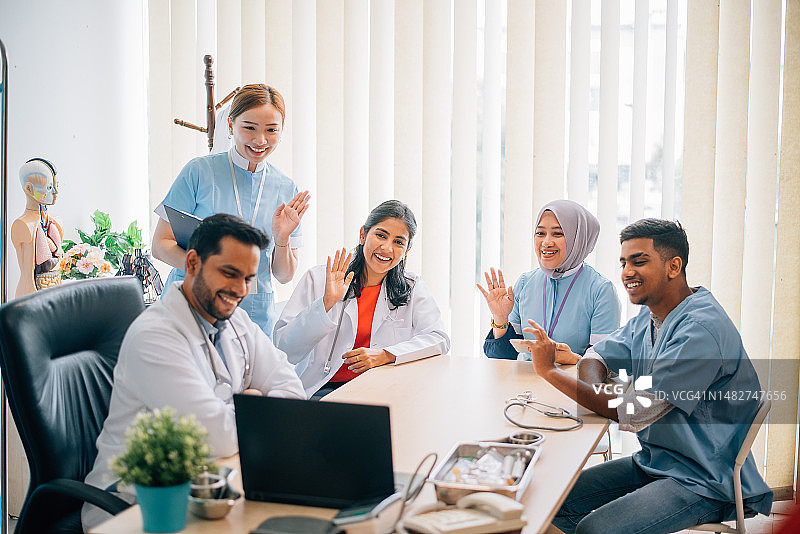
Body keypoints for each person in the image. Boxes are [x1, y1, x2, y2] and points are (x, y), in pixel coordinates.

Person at [518, 219, 772, 534]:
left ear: (674, 266)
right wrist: (598, 392)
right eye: (623, 263)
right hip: (657, 461)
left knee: (595, 530)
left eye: (639, 261)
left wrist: (550, 371)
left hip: (703, 479)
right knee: (546, 501)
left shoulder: (701, 330)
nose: (627, 272)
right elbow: (597, 356)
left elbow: (636, 413)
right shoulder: (651, 315)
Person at [83, 214, 305, 531]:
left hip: (209, 484)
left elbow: (293, 392)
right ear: (192, 263)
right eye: (229, 273)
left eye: (248, 278)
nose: (240, 289)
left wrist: (245, 409)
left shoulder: (236, 320)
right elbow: (217, 437)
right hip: (134, 504)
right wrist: (251, 403)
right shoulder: (155, 336)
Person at [151, 83, 310, 337]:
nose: (260, 140)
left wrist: (282, 239)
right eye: (249, 128)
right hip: (191, 306)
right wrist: (204, 270)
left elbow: (284, 275)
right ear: (230, 125)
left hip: (253, 317)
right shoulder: (199, 172)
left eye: (271, 130)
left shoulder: (286, 188)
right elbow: (160, 245)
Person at [274, 200, 451, 399]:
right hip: (325, 389)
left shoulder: (412, 287)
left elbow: (439, 338)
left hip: (384, 390)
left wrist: (386, 354)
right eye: (381, 235)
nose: (387, 248)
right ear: (363, 235)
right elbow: (285, 348)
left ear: (407, 250)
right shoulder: (319, 279)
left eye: (398, 242)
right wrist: (326, 303)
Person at [478, 199, 619, 363]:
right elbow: (503, 357)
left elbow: (605, 363)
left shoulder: (601, 290)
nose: (546, 242)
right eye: (540, 233)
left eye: (557, 234)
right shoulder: (524, 283)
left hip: (572, 379)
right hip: (525, 379)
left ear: (578, 238)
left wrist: (574, 359)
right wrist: (500, 318)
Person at [11, 158, 63, 297]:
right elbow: (28, 270)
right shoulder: (22, 224)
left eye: (57, 186)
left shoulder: (55, 221)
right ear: (29, 189)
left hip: (54, 288)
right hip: (32, 293)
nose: (56, 192)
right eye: (49, 188)